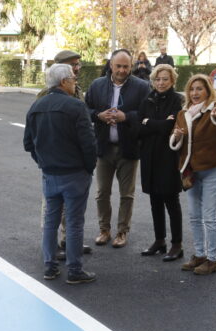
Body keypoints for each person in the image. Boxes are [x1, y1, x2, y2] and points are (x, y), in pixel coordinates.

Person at [24, 63, 98, 284]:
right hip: (75, 173)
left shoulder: (36, 107)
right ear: (64, 82)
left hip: (50, 173)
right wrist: (88, 167)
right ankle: (74, 270)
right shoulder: (76, 107)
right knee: (74, 222)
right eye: (73, 79)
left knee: (51, 221)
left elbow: (29, 143)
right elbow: (88, 144)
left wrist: (43, 162)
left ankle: (50, 266)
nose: (75, 83)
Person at [169, 74, 216, 276]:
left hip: (213, 169)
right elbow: (175, 141)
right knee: (195, 216)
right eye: (192, 89)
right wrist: (176, 137)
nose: (195, 93)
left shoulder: (215, 109)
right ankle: (199, 254)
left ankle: (213, 260)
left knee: (209, 216)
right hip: (191, 172)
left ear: (208, 91)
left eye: (199, 89)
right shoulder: (183, 114)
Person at [85, 49, 150, 248]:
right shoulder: (97, 85)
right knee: (102, 193)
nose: (122, 70)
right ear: (110, 65)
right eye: (118, 66)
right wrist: (98, 115)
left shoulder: (142, 87)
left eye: (126, 66)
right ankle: (104, 230)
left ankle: (122, 232)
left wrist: (127, 117)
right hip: (104, 148)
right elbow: (85, 110)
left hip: (128, 149)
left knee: (127, 195)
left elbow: (147, 115)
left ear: (131, 66)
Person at [36, 50, 92, 261]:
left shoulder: (77, 90)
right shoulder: (45, 94)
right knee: (51, 210)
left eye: (78, 64)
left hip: (73, 160)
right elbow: (36, 131)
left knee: (72, 208)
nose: (77, 68)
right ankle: (51, 248)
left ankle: (70, 241)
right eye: (72, 65)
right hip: (55, 160)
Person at [138, 64, 185, 262]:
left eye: (165, 79)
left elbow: (169, 127)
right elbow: (138, 126)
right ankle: (159, 240)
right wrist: (152, 124)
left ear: (172, 80)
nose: (161, 83)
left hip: (169, 156)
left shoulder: (178, 100)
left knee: (171, 200)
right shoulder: (148, 99)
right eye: (157, 79)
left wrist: (149, 123)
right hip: (149, 155)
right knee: (154, 200)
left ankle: (177, 244)